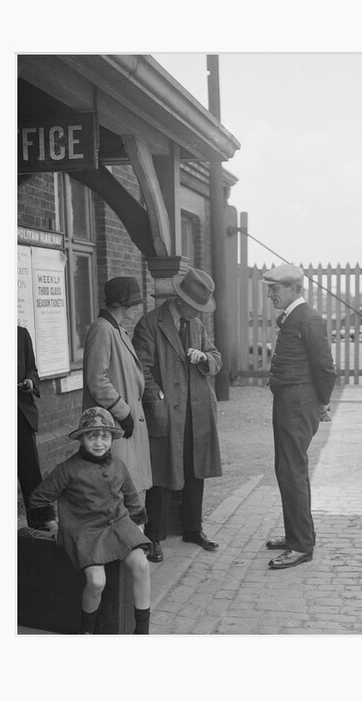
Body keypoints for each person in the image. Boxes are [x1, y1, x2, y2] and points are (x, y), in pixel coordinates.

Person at [28, 406, 152, 635]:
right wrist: (54, 526)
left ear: (111, 439)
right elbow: (38, 499)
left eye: (104, 437)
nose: (98, 443)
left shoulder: (118, 465)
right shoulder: (68, 469)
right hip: (84, 530)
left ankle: (141, 631)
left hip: (118, 524)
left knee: (142, 564)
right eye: (91, 436)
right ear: (82, 438)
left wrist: (137, 528)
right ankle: (87, 631)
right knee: (97, 581)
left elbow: (133, 499)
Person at [131, 267, 222, 563]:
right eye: (195, 308)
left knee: (195, 470)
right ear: (181, 301)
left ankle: (193, 529)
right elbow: (140, 368)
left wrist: (205, 359)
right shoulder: (150, 324)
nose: (198, 314)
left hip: (196, 412)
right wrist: (155, 395)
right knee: (161, 475)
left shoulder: (196, 325)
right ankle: (154, 537)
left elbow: (216, 356)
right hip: (166, 412)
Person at [261, 263, 337, 570]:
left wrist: (323, 403)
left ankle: (301, 545)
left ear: (295, 289)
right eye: (269, 288)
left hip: (299, 400)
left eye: (274, 288)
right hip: (290, 400)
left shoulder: (308, 318)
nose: (269, 294)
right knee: (288, 470)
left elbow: (325, 367)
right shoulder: (294, 317)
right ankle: (297, 535)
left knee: (292, 472)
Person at [81, 276, 152, 497]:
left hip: (120, 425)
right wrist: (124, 412)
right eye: (134, 303)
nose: (138, 308)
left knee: (128, 492)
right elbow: (97, 379)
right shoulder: (102, 329)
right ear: (123, 305)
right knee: (117, 493)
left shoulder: (116, 329)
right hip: (113, 424)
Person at [17, 324, 54, 529]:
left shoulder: (21, 334)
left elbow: (32, 368)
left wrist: (30, 381)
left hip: (20, 413)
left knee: (31, 472)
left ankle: (41, 524)